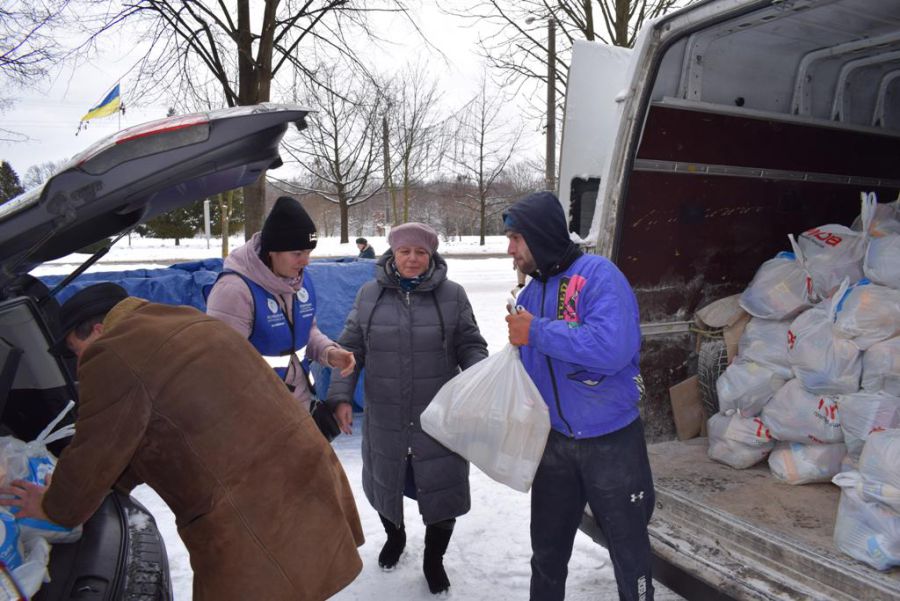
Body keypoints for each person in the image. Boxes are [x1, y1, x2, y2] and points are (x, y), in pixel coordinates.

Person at [0, 282, 365, 601]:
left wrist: (54, 505)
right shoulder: (188, 320)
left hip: (251, 512)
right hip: (305, 481)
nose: (80, 364)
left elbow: (97, 447)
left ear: (98, 330)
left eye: (77, 351)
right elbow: (151, 432)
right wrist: (98, 488)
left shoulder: (112, 351)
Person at [503, 191, 655, 601]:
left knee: (629, 551)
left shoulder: (599, 276)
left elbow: (612, 348)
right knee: (547, 553)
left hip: (611, 442)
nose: (510, 249)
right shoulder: (531, 294)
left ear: (538, 235)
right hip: (554, 444)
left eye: (516, 238)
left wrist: (535, 332)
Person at [326, 222, 488, 594]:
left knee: (442, 488)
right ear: (392, 254)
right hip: (387, 414)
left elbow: (470, 344)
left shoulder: (453, 295)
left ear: (431, 256)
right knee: (386, 483)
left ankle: (434, 559)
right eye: (405, 251)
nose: (412, 259)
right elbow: (350, 350)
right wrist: (341, 397)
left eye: (421, 252)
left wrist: (480, 379)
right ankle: (395, 537)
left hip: (438, 417)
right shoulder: (369, 296)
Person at [206, 196, 356, 419]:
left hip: (297, 405)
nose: (306, 262)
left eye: (308, 252)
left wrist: (329, 352)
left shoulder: (298, 281)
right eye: (297, 254)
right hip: (256, 415)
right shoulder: (234, 291)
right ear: (272, 251)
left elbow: (306, 331)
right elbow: (222, 363)